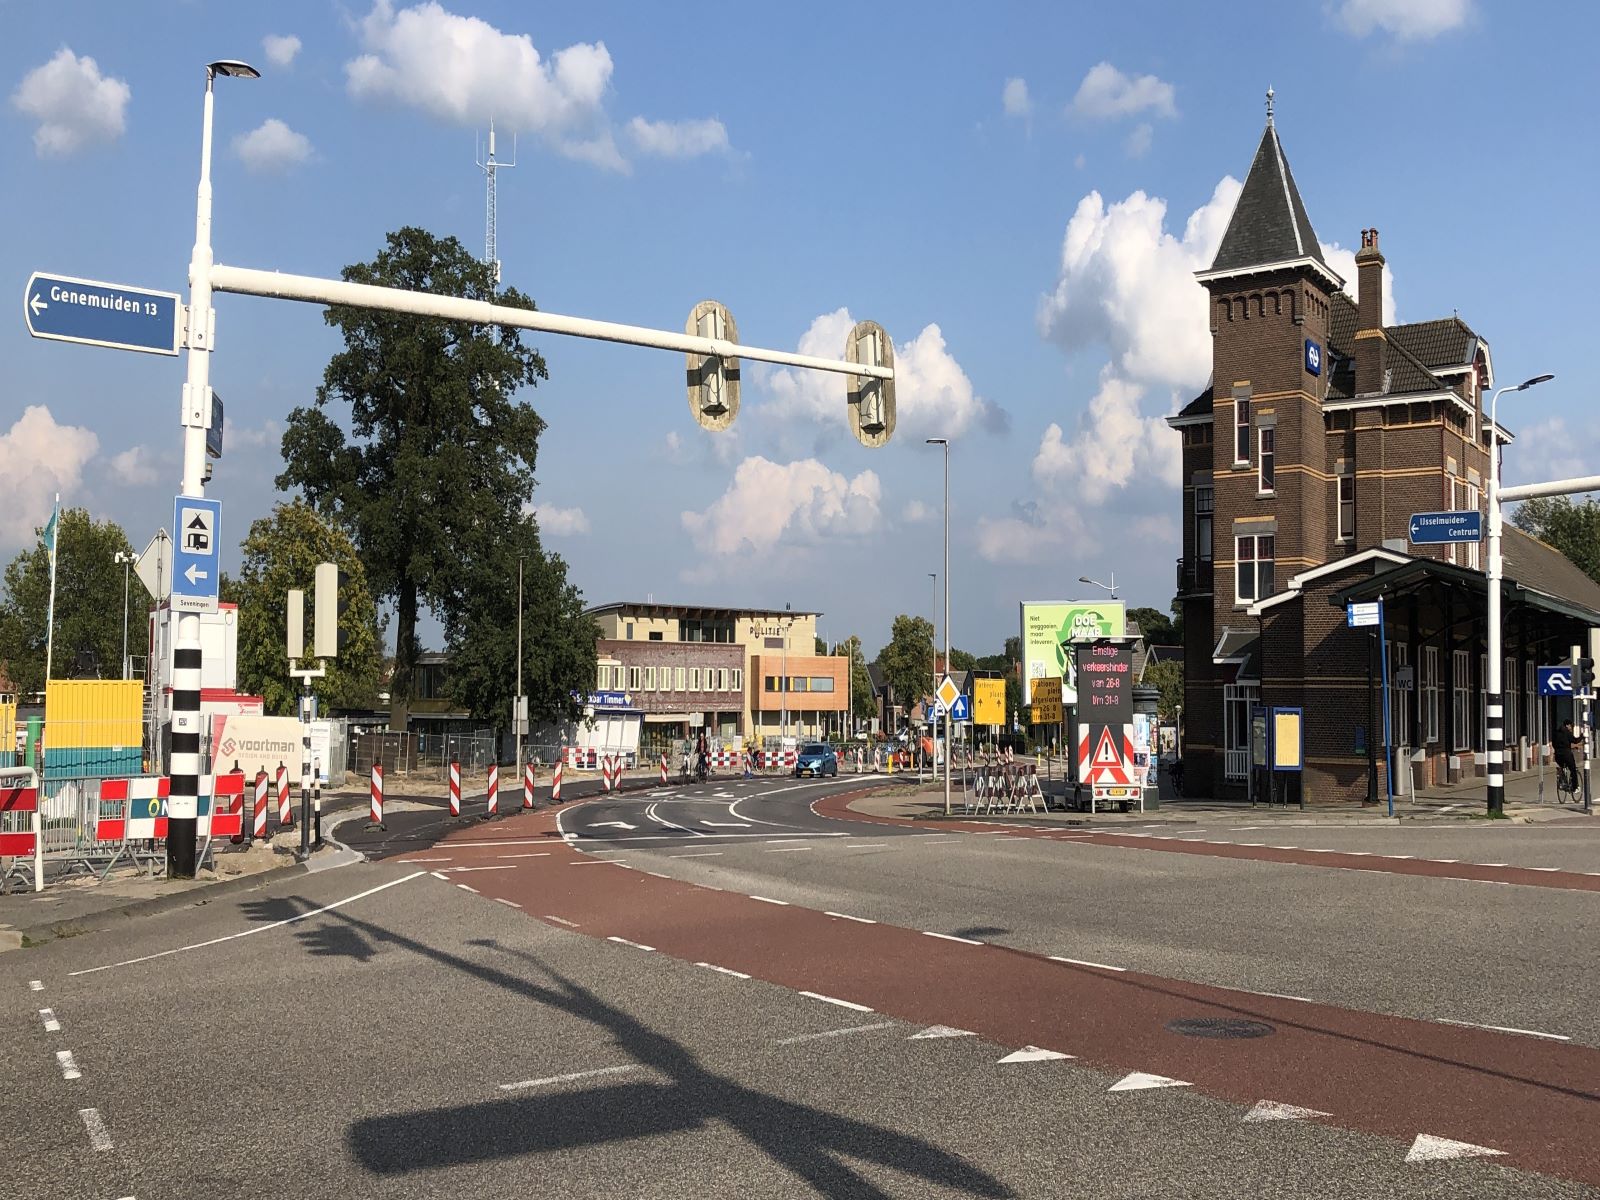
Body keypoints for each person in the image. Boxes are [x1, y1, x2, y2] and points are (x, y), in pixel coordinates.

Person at [1552, 717, 1580, 797]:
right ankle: (1575, 787)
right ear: (1567, 725)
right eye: (1571, 726)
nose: (1571, 728)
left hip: (1557, 756)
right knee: (1573, 770)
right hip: (1567, 755)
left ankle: (1562, 781)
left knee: (1562, 766)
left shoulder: (1556, 733)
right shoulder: (1567, 732)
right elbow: (1575, 740)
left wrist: (1558, 749)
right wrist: (1582, 736)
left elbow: (1554, 744)